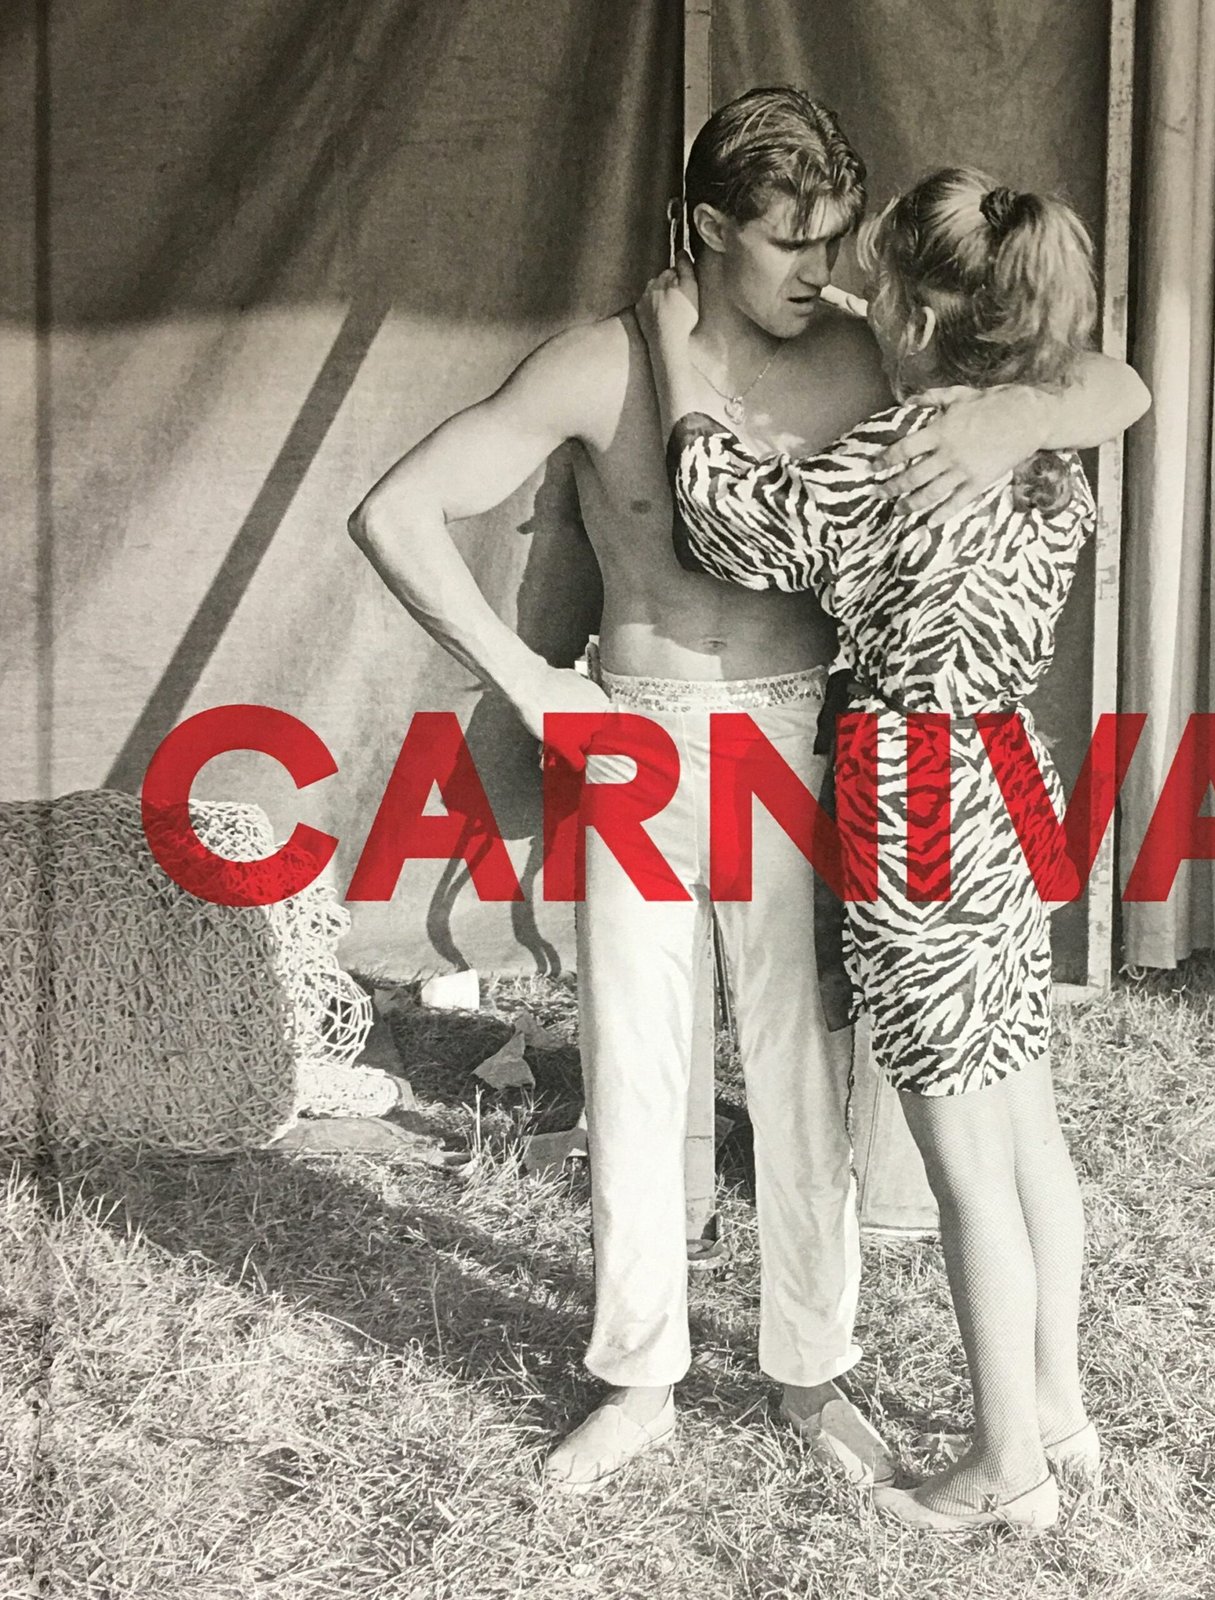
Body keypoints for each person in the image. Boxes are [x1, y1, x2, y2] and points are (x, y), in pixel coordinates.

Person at [349, 88, 1149, 1497]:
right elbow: (393, 511)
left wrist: (1018, 418)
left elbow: (1094, 378)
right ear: (708, 226)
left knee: (802, 1074)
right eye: (790, 242)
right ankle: (636, 1379)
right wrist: (528, 683)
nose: (822, 270)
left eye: (838, 241)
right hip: (642, 738)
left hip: (810, 740)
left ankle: (810, 1369)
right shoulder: (596, 363)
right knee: (634, 1064)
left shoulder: (867, 354)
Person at [639, 165, 1126, 1532]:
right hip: (1008, 771)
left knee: (962, 1161)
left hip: (916, 786)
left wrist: (679, 357)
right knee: (1024, 1125)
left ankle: (1006, 1467)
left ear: (909, 312)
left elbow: (724, 519)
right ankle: (1061, 1411)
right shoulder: (1040, 441)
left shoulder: (905, 452)